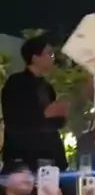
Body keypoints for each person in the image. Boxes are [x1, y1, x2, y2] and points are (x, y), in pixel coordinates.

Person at [1, 35, 68, 175]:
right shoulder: (16, 82)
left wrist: (60, 114)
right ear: (35, 57)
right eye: (49, 54)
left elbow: (55, 122)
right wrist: (44, 114)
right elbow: (13, 118)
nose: (52, 58)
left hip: (49, 153)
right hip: (23, 154)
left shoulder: (46, 86)